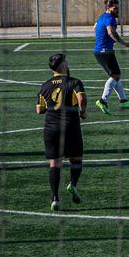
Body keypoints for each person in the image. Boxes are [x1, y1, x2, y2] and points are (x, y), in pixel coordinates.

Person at [36, 53, 87, 211]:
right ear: (63, 65)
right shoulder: (74, 82)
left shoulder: (45, 85)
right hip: (70, 126)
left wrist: (48, 107)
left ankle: (55, 198)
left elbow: (39, 110)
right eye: (66, 61)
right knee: (76, 159)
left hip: (51, 128)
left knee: (55, 163)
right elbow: (82, 99)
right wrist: (83, 111)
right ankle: (72, 183)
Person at [93, 0, 129, 115]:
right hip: (104, 52)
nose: (117, 10)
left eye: (118, 8)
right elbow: (111, 32)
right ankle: (102, 101)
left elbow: (95, 27)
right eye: (115, 8)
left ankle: (123, 100)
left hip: (101, 51)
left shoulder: (103, 16)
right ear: (109, 8)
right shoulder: (110, 18)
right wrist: (124, 43)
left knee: (115, 76)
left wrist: (103, 39)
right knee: (115, 75)